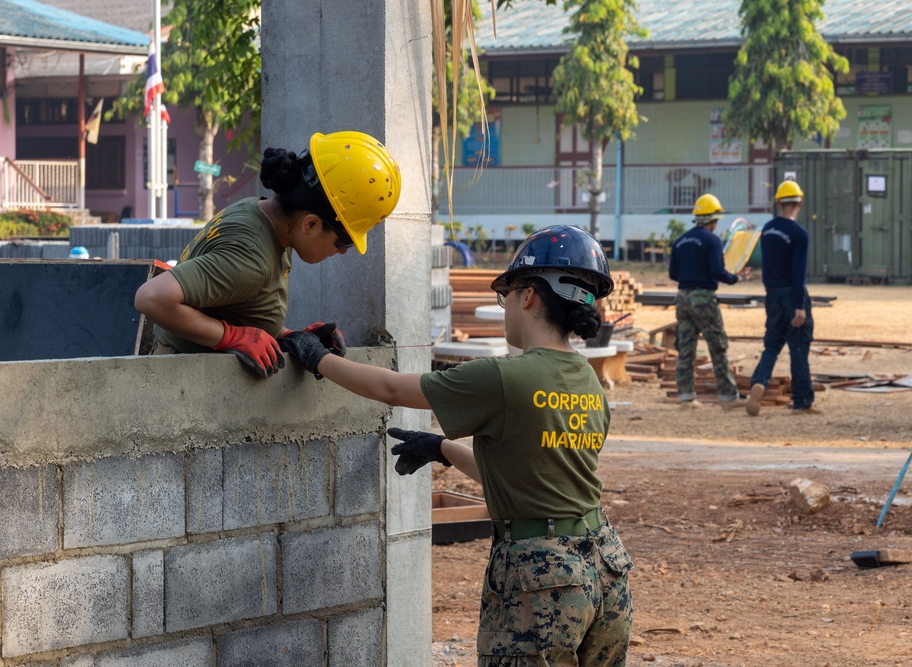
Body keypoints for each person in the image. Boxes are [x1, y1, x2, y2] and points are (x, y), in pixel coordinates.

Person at [280, 225, 634, 666]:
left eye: (506, 296)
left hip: (542, 579)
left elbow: (391, 389)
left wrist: (317, 357)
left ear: (528, 296)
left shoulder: (504, 377)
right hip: (604, 566)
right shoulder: (588, 382)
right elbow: (531, 479)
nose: (505, 308)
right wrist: (441, 448)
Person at [134, 130, 401, 377]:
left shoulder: (264, 215)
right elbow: (152, 298)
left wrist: (287, 336)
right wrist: (231, 337)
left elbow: (235, 303)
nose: (341, 252)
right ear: (311, 224)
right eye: (343, 242)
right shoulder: (251, 255)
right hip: (184, 380)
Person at [745, 179, 817, 416]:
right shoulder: (799, 234)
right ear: (800, 202)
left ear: (778, 202)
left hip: (773, 295)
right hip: (791, 295)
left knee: (772, 345)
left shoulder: (767, 230)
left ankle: (759, 382)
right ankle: (803, 401)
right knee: (798, 347)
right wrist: (799, 306)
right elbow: (798, 272)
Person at [668, 193, 743, 410]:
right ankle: (728, 397)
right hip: (704, 298)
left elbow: (674, 274)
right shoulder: (712, 241)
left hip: (683, 299)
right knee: (717, 345)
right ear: (712, 219)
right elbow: (718, 271)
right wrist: (735, 278)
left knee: (686, 348)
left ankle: (686, 397)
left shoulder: (680, 241)